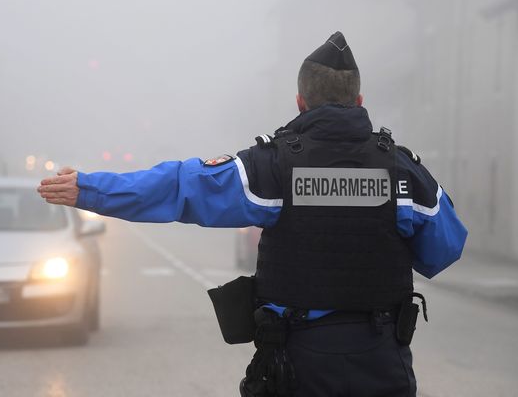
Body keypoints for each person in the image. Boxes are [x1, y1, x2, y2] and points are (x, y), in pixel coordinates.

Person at [37, 31, 467, 397]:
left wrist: (89, 189)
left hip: (298, 366)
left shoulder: (272, 167)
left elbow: (181, 186)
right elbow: (444, 248)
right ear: (359, 100)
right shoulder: (403, 172)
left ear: (301, 102)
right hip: (382, 363)